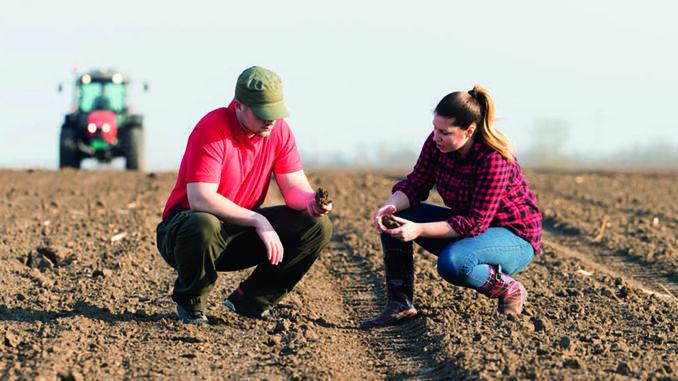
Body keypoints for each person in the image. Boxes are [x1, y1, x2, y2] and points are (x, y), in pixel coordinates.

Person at [156, 66, 333, 324]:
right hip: (185, 233)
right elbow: (200, 199)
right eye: (263, 114)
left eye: (275, 113)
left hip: (236, 231)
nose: (270, 120)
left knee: (316, 226)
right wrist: (259, 220)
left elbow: (293, 185)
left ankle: (251, 300)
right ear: (238, 106)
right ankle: (191, 302)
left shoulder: (278, 131)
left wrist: (311, 202)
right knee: (204, 223)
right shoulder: (212, 129)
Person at [362, 85, 541, 329]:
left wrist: (419, 230)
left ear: (469, 131)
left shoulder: (493, 158)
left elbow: (475, 223)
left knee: (453, 263)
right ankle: (400, 305)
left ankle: (510, 289)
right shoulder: (438, 145)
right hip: (473, 229)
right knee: (396, 216)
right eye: (434, 128)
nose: (436, 136)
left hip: (513, 237)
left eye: (444, 132)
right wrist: (389, 206)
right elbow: (416, 183)